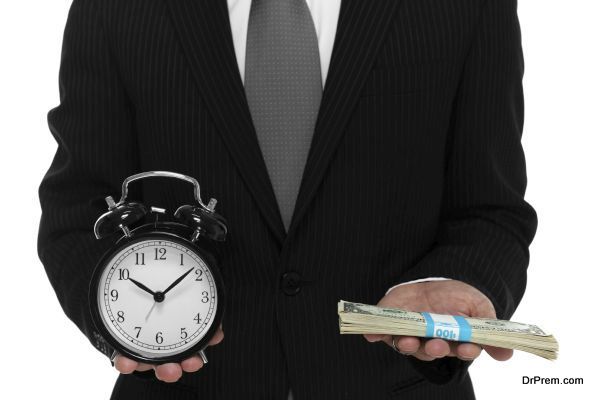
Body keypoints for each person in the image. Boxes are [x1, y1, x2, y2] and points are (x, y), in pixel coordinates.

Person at [37, 0, 537, 399]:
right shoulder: (114, 7)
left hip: (395, 387)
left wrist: (456, 278)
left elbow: (490, 210)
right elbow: (79, 208)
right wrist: (121, 320)